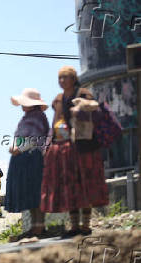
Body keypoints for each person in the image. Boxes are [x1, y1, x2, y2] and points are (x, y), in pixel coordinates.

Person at [41, 66, 109, 237]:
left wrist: (82, 109)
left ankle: (85, 225)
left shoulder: (83, 94)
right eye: (60, 78)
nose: (62, 81)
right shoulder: (59, 99)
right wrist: (51, 145)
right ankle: (74, 225)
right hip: (67, 151)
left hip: (85, 149)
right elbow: (56, 124)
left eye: (65, 77)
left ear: (73, 78)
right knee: (70, 187)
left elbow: (95, 111)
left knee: (85, 185)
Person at [5, 88, 50, 237]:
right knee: (29, 193)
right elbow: (22, 137)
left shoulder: (38, 117)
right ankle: (35, 226)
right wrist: (16, 147)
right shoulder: (26, 118)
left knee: (36, 192)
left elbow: (36, 139)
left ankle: (39, 226)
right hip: (23, 159)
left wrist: (19, 148)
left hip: (33, 158)